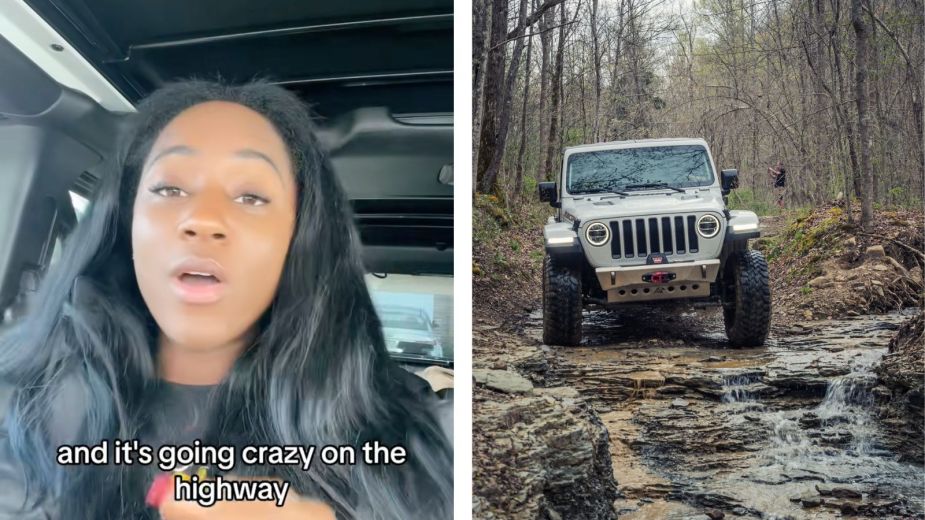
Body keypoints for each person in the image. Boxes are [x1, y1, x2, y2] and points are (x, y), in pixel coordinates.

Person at [0, 80, 452, 519]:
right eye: (169, 189)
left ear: (299, 240)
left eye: (251, 196)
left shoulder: (416, 432)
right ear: (125, 224)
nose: (203, 218)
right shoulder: (23, 404)